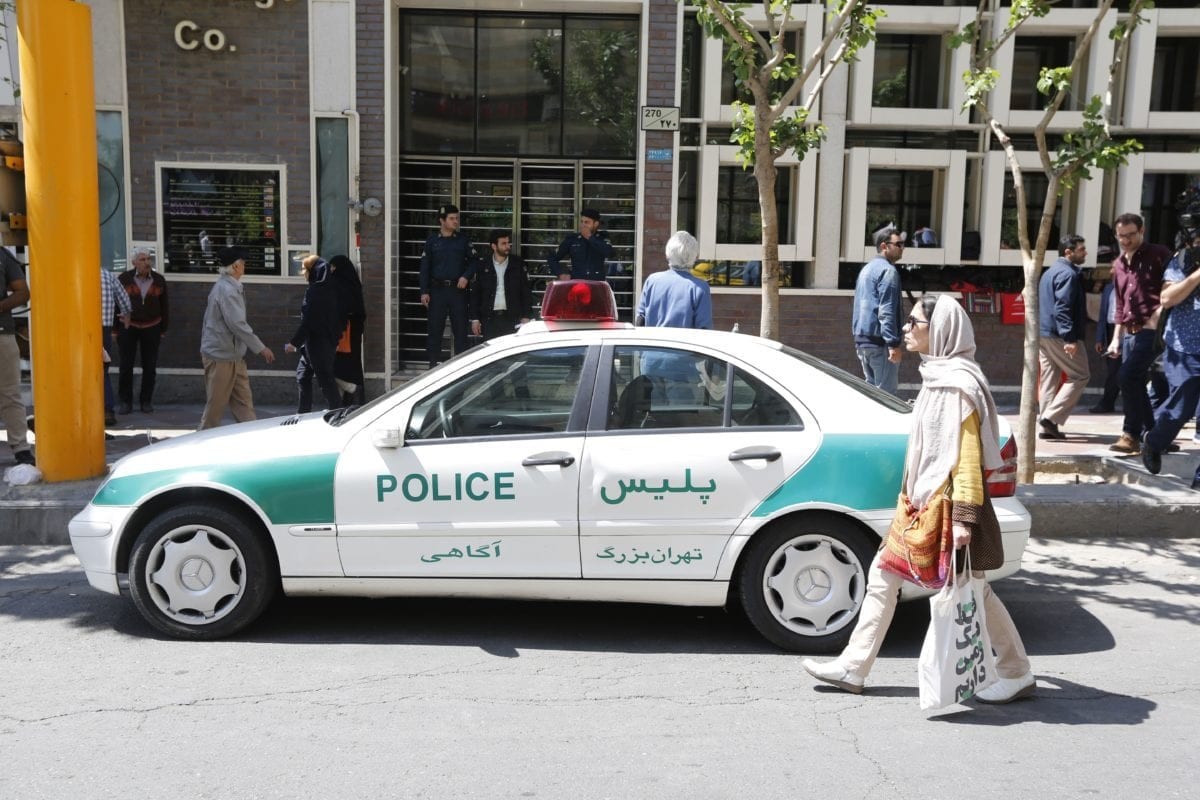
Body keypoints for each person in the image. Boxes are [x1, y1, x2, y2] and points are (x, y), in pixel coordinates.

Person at [801, 294, 1035, 704]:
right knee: (887, 576)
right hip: (920, 504)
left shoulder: (959, 385)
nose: (906, 328)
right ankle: (854, 666)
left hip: (946, 508)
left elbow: (965, 459)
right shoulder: (937, 376)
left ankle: (1015, 670)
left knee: (970, 588)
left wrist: (964, 520)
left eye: (915, 322)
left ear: (940, 330)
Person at [1104, 213, 1173, 454]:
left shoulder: (1159, 253)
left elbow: (1172, 287)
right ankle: (1155, 436)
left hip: (1153, 330)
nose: (1125, 240)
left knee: (1126, 376)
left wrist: (1157, 317)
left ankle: (1131, 434)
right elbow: (1121, 304)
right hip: (1130, 332)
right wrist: (1116, 338)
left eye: (1130, 235)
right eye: (1121, 236)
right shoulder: (1119, 263)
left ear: (1142, 231)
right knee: (1134, 381)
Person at [1141, 209, 1200, 489]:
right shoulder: (1183, 261)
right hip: (1186, 345)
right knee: (1182, 407)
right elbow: (1166, 298)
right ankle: (1154, 441)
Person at [198, 246, 275, 429]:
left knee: (244, 405)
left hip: (233, 355)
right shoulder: (227, 290)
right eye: (243, 262)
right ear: (235, 267)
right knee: (214, 410)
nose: (245, 265)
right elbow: (237, 324)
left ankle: (251, 437)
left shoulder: (230, 286)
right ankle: (199, 443)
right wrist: (261, 348)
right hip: (220, 357)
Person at [1036, 235, 1090, 439]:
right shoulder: (1068, 274)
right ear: (1068, 252)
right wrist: (1069, 338)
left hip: (1044, 333)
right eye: (1081, 249)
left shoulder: (1050, 272)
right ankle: (1050, 417)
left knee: (1049, 379)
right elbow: (1062, 308)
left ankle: (1047, 428)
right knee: (1080, 375)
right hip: (1060, 335)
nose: (1085, 253)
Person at [284, 255, 344, 413]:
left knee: (326, 381)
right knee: (302, 376)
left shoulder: (317, 291)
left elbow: (309, 320)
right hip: (316, 344)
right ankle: (303, 414)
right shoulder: (330, 288)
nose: (303, 273)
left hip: (319, 345)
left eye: (305, 270)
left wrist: (294, 343)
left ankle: (338, 414)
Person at [419, 203, 476, 367]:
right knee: (435, 329)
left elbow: (473, 262)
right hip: (437, 292)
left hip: (457, 292)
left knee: (460, 330)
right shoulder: (431, 241)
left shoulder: (463, 240)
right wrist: (424, 291)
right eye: (452, 218)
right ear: (442, 221)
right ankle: (432, 364)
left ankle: (461, 367)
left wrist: (466, 276)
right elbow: (425, 268)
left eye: (457, 218)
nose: (456, 221)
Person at [851, 226, 904, 395]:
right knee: (886, 398)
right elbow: (886, 309)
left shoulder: (867, 269)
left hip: (862, 340)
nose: (902, 248)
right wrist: (893, 343)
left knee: (872, 396)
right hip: (879, 342)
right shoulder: (888, 271)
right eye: (898, 244)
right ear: (884, 246)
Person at [117, 247, 168, 414]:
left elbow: (165, 306)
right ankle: (126, 402)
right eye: (143, 259)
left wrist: (163, 328)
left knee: (150, 365)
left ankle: (146, 401)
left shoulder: (159, 280)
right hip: (128, 327)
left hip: (152, 326)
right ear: (134, 262)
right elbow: (116, 304)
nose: (147, 262)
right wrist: (115, 330)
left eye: (148, 259)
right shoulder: (123, 279)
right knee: (126, 365)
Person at [635, 230, 712, 330]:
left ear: (667, 255)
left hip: (652, 344)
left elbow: (640, 320)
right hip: (683, 345)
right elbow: (704, 329)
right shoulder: (700, 288)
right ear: (695, 257)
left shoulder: (652, 281)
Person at [0, 247, 33, 465]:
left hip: (2, 333)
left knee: (10, 393)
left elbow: (23, 292)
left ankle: (21, 448)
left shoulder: (2, 255)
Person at [470, 229, 533, 341]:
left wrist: (526, 316)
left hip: (512, 318)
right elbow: (476, 294)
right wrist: (475, 319)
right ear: (494, 246)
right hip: (489, 319)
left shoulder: (518, 264)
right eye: (503, 243)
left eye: (508, 243)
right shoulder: (483, 265)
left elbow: (526, 292)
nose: (507, 246)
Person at [330, 254, 366, 406]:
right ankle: (348, 401)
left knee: (336, 367)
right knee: (353, 366)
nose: (331, 270)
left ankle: (351, 391)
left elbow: (340, 309)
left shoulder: (338, 284)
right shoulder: (354, 284)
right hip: (354, 331)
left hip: (344, 332)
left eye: (333, 267)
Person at [100, 266, 132, 426]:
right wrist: (126, 316)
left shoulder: (74, 273)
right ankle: (107, 411)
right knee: (102, 370)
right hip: (103, 328)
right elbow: (125, 300)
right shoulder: (108, 275)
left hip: (80, 328)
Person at [546, 208, 614, 282]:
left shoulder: (602, 238)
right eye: (582, 222)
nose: (583, 225)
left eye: (587, 222)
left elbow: (610, 253)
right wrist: (560, 273)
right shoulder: (572, 239)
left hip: (597, 283)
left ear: (596, 224)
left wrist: (590, 237)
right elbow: (552, 258)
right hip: (577, 283)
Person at [1091, 278, 1121, 413]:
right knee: (1112, 369)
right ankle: (1107, 402)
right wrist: (1099, 338)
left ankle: (1109, 402)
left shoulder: (1131, 286)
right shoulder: (1108, 288)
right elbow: (1102, 315)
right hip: (1110, 330)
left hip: (1127, 330)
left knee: (1122, 370)